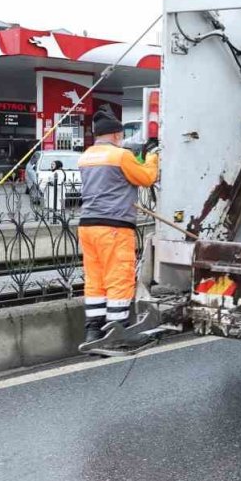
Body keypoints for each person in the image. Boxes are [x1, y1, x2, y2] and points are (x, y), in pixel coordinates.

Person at [77, 111, 160, 350]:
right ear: (116, 134)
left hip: (88, 225)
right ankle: (118, 331)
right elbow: (146, 177)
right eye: (121, 135)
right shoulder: (120, 155)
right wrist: (153, 156)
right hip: (114, 225)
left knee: (96, 279)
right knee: (119, 276)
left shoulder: (86, 156)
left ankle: (94, 331)